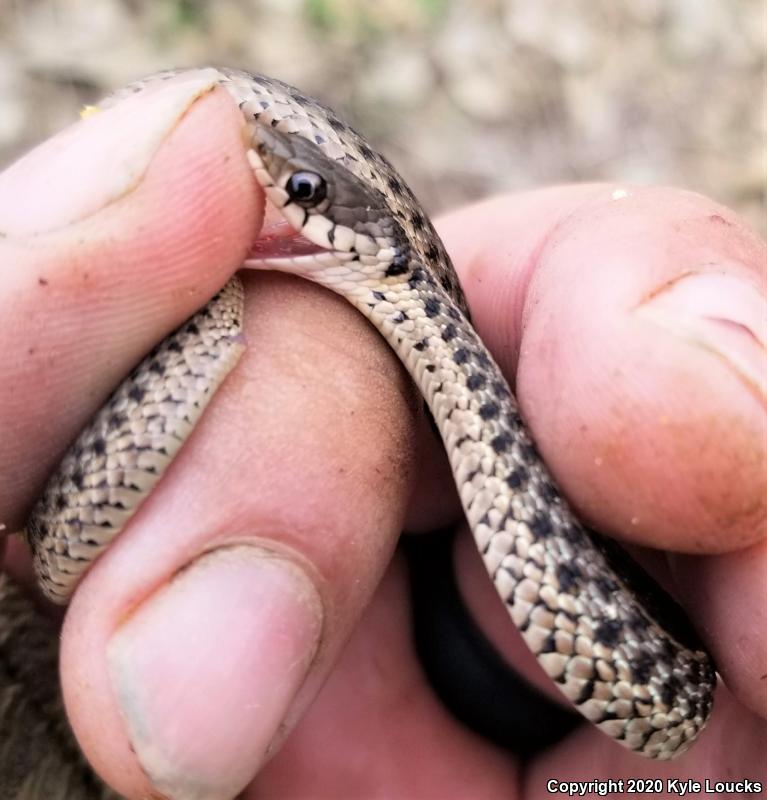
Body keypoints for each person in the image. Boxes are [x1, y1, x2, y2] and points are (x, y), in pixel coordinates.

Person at [1, 77, 764, 800]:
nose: (273, 181)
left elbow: (669, 705)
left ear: (377, 247)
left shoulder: (430, 324)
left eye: (302, 194)